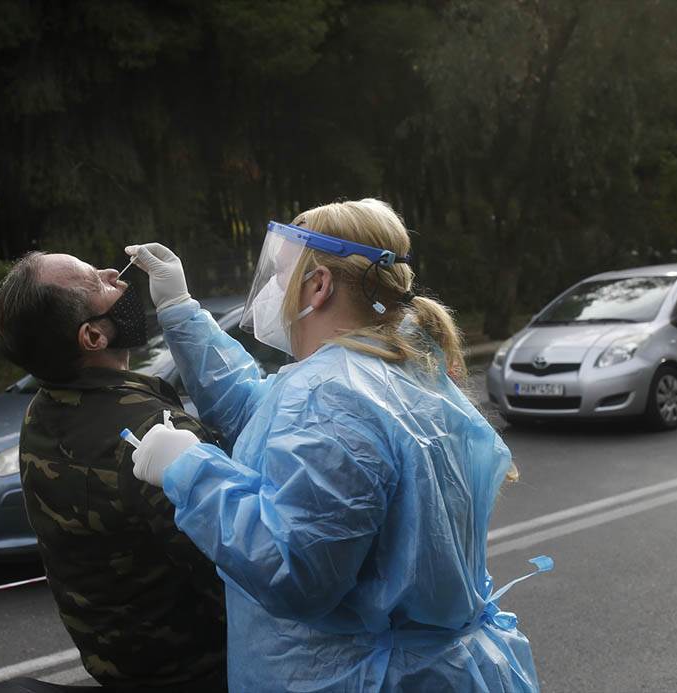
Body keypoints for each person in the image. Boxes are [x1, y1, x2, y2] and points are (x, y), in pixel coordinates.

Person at [125, 199, 550, 692]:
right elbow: (259, 413)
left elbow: (296, 570)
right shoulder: (396, 368)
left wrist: (191, 472)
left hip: (356, 677)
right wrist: (180, 311)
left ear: (320, 285)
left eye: (281, 272)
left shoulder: (331, 394)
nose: (271, 289)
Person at [0, 252, 227, 692]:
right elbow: (234, 568)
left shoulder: (43, 409)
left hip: (117, 669)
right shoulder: (152, 432)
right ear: (93, 336)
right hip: (202, 673)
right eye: (95, 283)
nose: (114, 274)